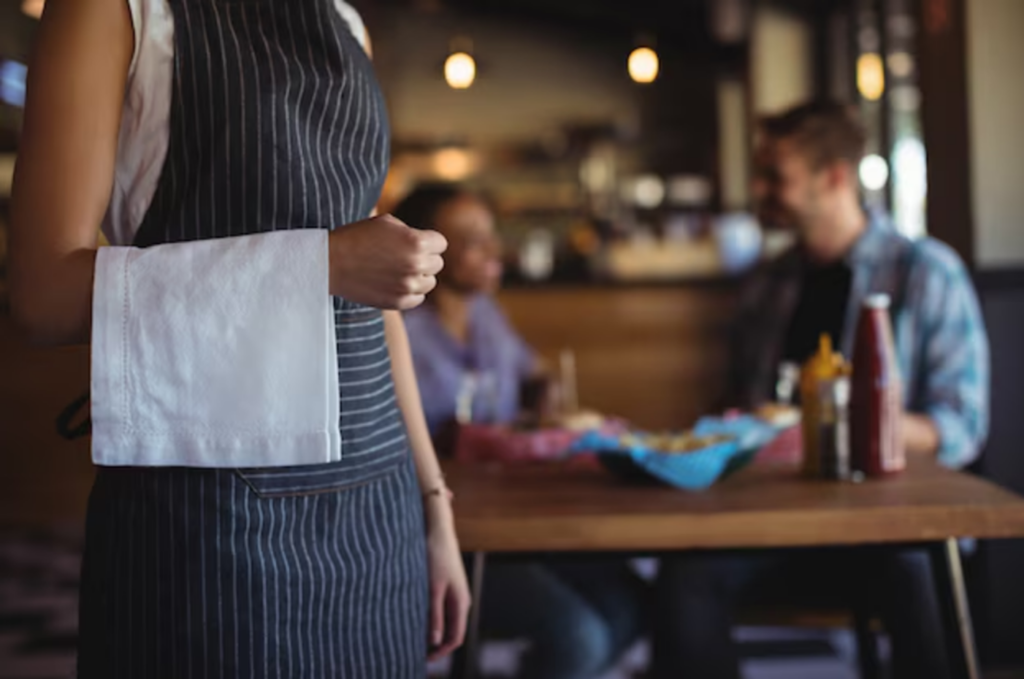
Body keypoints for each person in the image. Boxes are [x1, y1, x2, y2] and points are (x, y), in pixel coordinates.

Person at [9, 1, 469, 677]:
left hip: (378, 504)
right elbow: (41, 296)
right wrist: (324, 263)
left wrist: (434, 506)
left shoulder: (342, 18)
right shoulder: (114, 10)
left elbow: (375, 300)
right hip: (209, 515)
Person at [652, 101, 989, 679]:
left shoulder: (927, 273)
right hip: (774, 520)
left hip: (889, 523)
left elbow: (960, 428)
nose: (757, 189)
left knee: (920, 571)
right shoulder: (768, 283)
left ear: (835, 177)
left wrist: (833, 417)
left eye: (774, 177)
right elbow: (738, 406)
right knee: (686, 576)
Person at [395, 183, 648, 679]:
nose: (493, 250)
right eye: (472, 238)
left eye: (492, 234)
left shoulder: (487, 315)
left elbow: (533, 372)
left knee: (631, 604)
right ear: (425, 244)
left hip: (517, 516)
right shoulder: (398, 326)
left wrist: (545, 389)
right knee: (577, 634)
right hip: (445, 532)